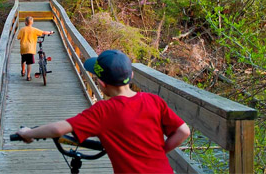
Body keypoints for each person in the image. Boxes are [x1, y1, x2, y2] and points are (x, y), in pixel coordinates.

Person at [15, 50, 191, 173]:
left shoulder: (104, 111)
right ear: (131, 76)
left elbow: (58, 130)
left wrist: (29, 133)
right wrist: (159, 152)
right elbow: (184, 131)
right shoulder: (153, 100)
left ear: (101, 83)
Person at [17, 16, 54, 81]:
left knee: (23, 60)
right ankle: (28, 76)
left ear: (25, 22)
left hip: (23, 48)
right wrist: (50, 32)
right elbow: (43, 32)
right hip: (30, 49)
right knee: (29, 63)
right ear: (32, 22)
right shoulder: (34, 30)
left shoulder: (22, 29)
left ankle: (23, 71)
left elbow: (18, 37)